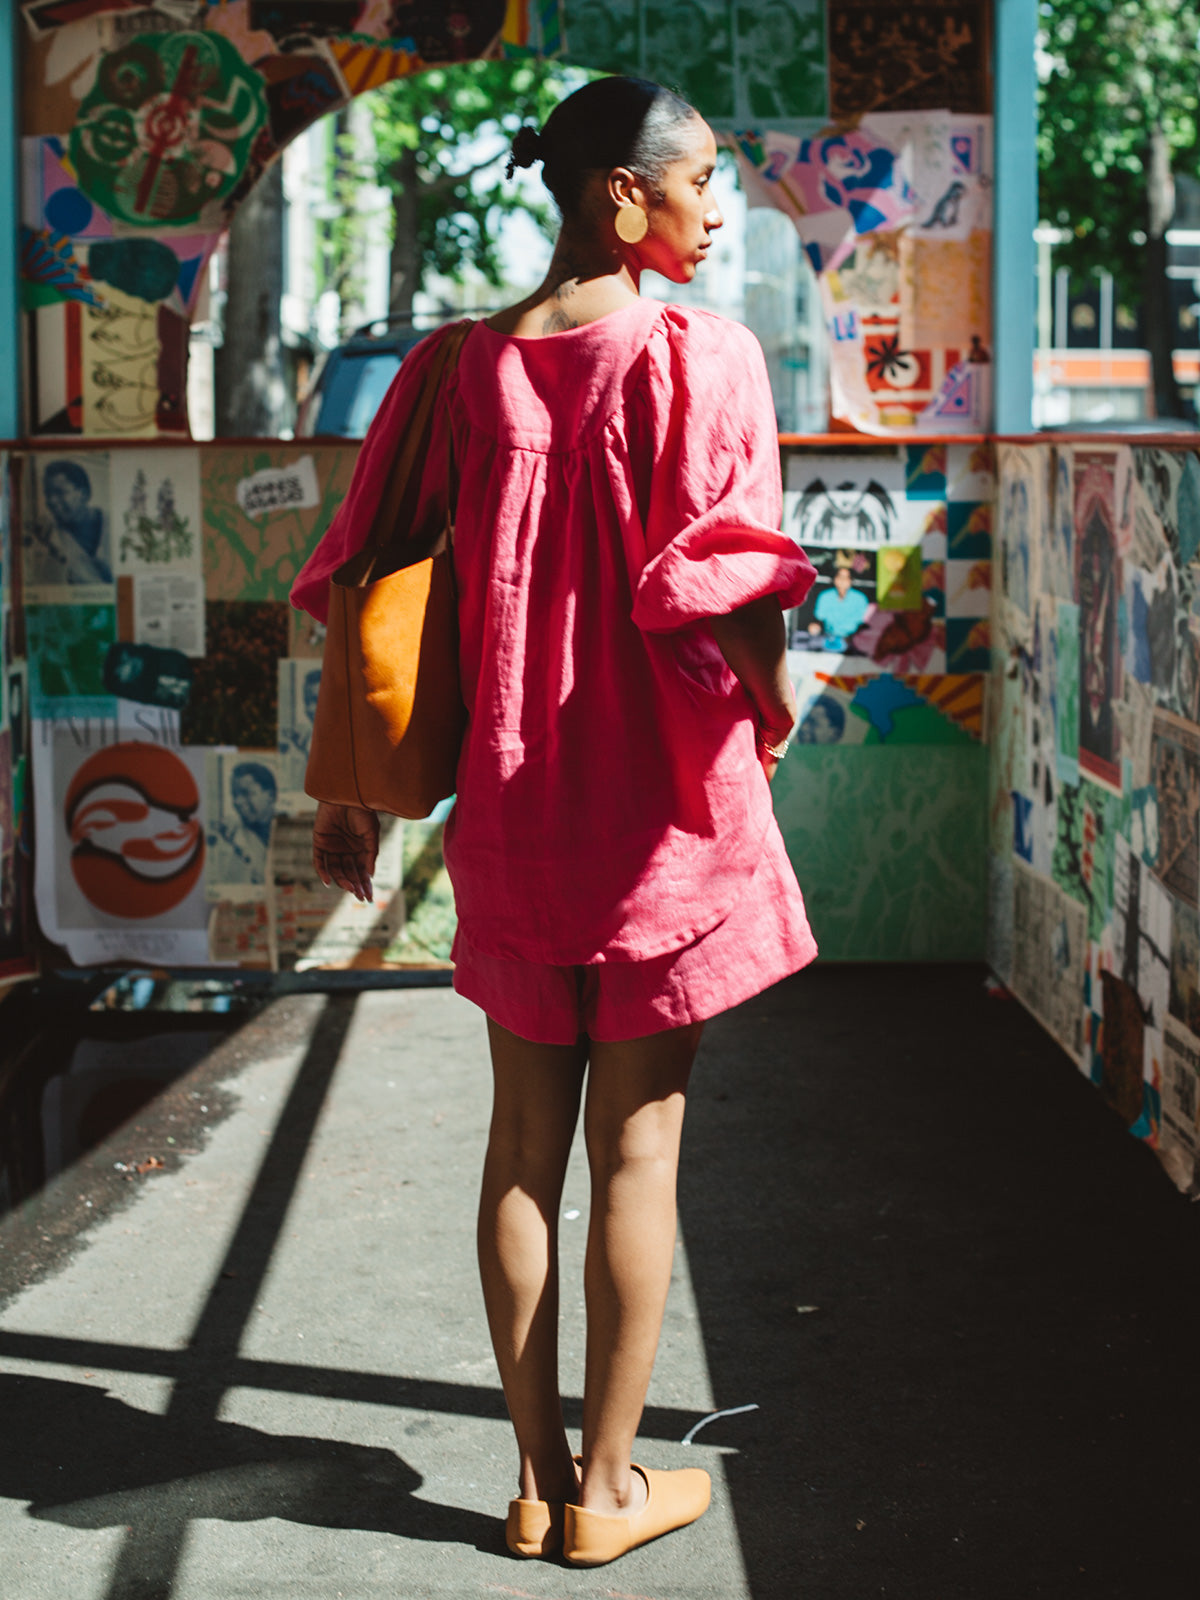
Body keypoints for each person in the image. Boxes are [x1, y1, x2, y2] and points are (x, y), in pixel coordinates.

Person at [291, 75, 818, 1568]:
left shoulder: (450, 370)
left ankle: (529, 1480)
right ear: (619, 195)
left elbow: (364, 577)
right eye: (701, 182)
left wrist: (351, 791)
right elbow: (728, 585)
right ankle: (607, 1489)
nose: (718, 211)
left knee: (522, 1142)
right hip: (664, 818)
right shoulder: (703, 358)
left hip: (515, 815)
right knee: (637, 1155)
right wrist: (774, 723)